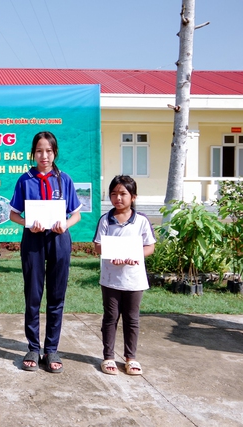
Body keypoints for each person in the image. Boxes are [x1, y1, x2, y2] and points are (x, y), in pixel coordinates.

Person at [9, 131, 82, 373]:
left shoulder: (65, 180)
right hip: (33, 240)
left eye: (48, 151)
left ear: (55, 153)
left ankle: (51, 349)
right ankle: (32, 347)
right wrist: (29, 222)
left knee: (56, 295)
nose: (44, 155)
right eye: (39, 151)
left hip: (59, 239)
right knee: (33, 294)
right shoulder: (25, 180)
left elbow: (76, 214)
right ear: (33, 153)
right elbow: (13, 215)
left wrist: (66, 224)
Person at [92, 175, 155, 375]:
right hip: (111, 279)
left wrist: (133, 255)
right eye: (113, 194)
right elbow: (97, 246)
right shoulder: (105, 220)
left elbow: (150, 247)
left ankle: (131, 358)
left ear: (133, 197)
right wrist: (112, 254)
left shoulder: (142, 221)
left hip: (134, 280)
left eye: (123, 194)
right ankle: (108, 357)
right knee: (110, 317)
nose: (118, 198)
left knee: (132, 319)